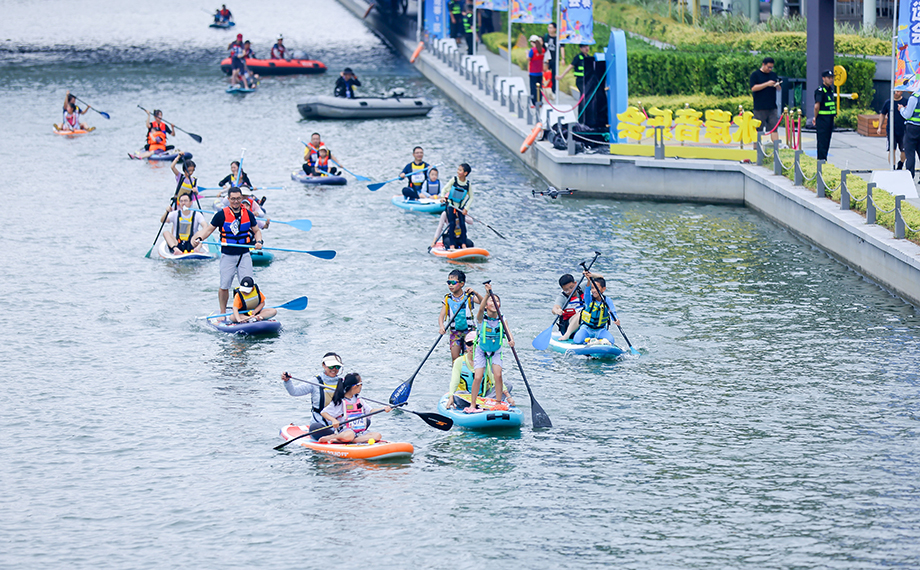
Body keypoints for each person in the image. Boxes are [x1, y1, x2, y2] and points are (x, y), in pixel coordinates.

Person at [190, 186, 264, 314]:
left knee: (248, 285)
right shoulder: (220, 215)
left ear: (241, 198)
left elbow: (257, 231)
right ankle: (223, 312)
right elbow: (208, 230)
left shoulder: (248, 214)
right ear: (228, 199)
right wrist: (199, 238)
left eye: (238, 199)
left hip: (244, 254)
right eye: (233, 199)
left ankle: (249, 312)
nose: (236, 201)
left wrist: (259, 242)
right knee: (224, 286)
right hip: (227, 255)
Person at [466, 283, 513, 413]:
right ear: (486, 305)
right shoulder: (482, 318)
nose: (494, 303)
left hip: (496, 350)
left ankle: (498, 402)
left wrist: (511, 340)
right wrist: (487, 294)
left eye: (497, 301)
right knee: (478, 377)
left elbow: (507, 331)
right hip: (481, 350)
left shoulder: (502, 318)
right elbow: (481, 309)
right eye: (491, 301)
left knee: (498, 375)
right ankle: (473, 404)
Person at [446, 330, 514, 409]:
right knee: (457, 395)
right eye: (469, 344)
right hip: (466, 396)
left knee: (508, 385)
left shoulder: (486, 361)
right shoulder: (459, 361)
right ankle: (477, 404)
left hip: (484, 396)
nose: (472, 347)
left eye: (476, 344)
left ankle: (485, 403)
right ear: (465, 345)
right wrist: (451, 396)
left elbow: (495, 379)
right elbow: (454, 381)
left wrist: (508, 396)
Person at [281, 353, 345, 436]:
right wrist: (287, 381)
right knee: (316, 428)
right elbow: (294, 392)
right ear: (324, 365)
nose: (334, 369)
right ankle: (336, 436)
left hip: (339, 424)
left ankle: (339, 435)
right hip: (320, 424)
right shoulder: (315, 382)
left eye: (337, 367)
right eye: (331, 366)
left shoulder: (343, 383)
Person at [317, 373, 392, 444]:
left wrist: (383, 409)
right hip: (346, 431)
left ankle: (351, 441)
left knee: (377, 435)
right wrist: (333, 420)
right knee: (349, 435)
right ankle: (333, 437)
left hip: (360, 432)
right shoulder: (340, 402)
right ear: (354, 386)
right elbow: (324, 413)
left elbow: (370, 411)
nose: (361, 386)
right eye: (361, 384)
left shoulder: (360, 400)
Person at [439, 270, 483, 361]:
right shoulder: (447, 299)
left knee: (469, 357)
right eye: (449, 283)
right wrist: (442, 326)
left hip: (469, 331)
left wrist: (476, 293)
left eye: (453, 283)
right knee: (455, 358)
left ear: (462, 284)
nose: (450, 285)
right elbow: (441, 316)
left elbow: (483, 303)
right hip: (455, 332)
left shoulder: (469, 296)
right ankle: (456, 370)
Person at [572, 271, 620, 346]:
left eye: (596, 288)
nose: (593, 290)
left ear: (603, 289)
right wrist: (588, 281)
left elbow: (613, 312)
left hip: (600, 330)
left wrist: (616, 319)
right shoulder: (589, 299)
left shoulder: (607, 300)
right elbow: (587, 293)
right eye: (592, 288)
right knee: (577, 340)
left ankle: (596, 340)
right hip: (587, 328)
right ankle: (589, 341)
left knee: (611, 341)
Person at [439, 163, 472, 250]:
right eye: (458, 169)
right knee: (452, 224)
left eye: (460, 170)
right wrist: (442, 197)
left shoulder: (467, 184)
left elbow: (471, 197)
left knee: (462, 224)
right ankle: (452, 245)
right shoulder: (454, 180)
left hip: (460, 207)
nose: (458, 171)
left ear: (465, 173)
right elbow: (444, 189)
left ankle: (464, 244)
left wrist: (466, 209)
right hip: (451, 205)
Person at [750, 57, 782, 144]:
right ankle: (756, 148)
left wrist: (777, 85)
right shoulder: (755, 75)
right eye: (768, 67)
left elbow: (779, 89)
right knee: (758, 129)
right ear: (763, 64)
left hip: (772, 106)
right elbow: (753, 88)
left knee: (774, 128)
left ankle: (776, 148)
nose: (770, 69)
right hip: (760, 107)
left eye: (771, 67)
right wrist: (767, 84)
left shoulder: (773, 75)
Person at [879, 89, 907, 170]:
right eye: (895, 91)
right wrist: (879, 127)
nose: (896, 93)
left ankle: (901, 163)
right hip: (891, 130)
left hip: (903, 130)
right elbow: (882, 114)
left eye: (898, 91)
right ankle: (893, 167)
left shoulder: (906, 102)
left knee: (904, 150)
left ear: (902, 92)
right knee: (892, 149)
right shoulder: (888, 102)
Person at [560, 44, 590, 116]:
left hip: (587, 80)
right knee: (583, 95)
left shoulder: (589, 57)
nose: (586, 48)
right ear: (581, 48)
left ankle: (587, 115)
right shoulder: (578, 57)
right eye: (584, 47)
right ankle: (581, 115)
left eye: (587, 46)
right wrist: (561, 76)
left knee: (587, 96)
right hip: (580, 80)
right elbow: (570, 66)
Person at [552, 273, 585, 341]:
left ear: (575, 283)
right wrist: (557, 311)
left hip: (583, 324)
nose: (570, 291)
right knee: (582, 313)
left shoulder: (582, 287)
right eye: (566, 290)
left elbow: (599, 279)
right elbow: (555, 308)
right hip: (567, 327)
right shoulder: (562, 297)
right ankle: (567, 335)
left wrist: (589, 275)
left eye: (571, 287)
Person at [813, 69, 836, 162]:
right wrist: (815, 117)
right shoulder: (820, 91)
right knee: (822, 142)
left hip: (830, 119)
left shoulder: (830, 90)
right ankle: (821, 161)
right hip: (822, 120)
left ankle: (824, 160)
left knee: (827, 141)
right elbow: (816, 106)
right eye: (828, 78)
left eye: (832, 78)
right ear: (823, 78)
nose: (831, 79)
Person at [900, 87, 920, 178]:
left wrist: (901, 109)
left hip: (912, 128)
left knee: (910, 153)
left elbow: (907, 115)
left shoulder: (914, 97)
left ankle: (910, 176)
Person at [527, 35, 546, 106]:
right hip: (540, 72)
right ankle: (539, 101)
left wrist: (526, 54)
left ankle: (534, 102)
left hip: (533, 72)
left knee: (533, 88)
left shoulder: (532, 50)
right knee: (539, 88)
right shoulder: (542, 50)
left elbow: (529, 59)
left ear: (532, 42)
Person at [543, 23, 560, 98]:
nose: (549, 29)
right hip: (547, 59)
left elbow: (562, 47)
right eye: (548, 28)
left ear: (555, 29)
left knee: (554, 75)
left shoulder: (558, 38)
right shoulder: (546, 36)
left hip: (555, 59)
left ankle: (553, 91)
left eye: (551, 28)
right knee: (545, 75)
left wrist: (563, 58)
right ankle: (545, 89)